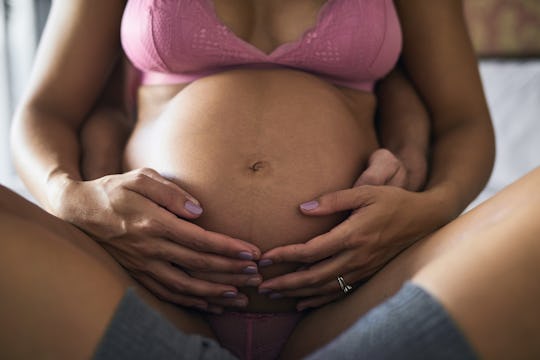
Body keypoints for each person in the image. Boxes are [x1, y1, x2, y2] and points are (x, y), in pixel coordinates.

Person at [8, 0, 497, 358]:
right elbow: (44, 111)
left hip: (354, 295)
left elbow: (463, 123)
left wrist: (431, 209)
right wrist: (70, 197)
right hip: (146, 290)